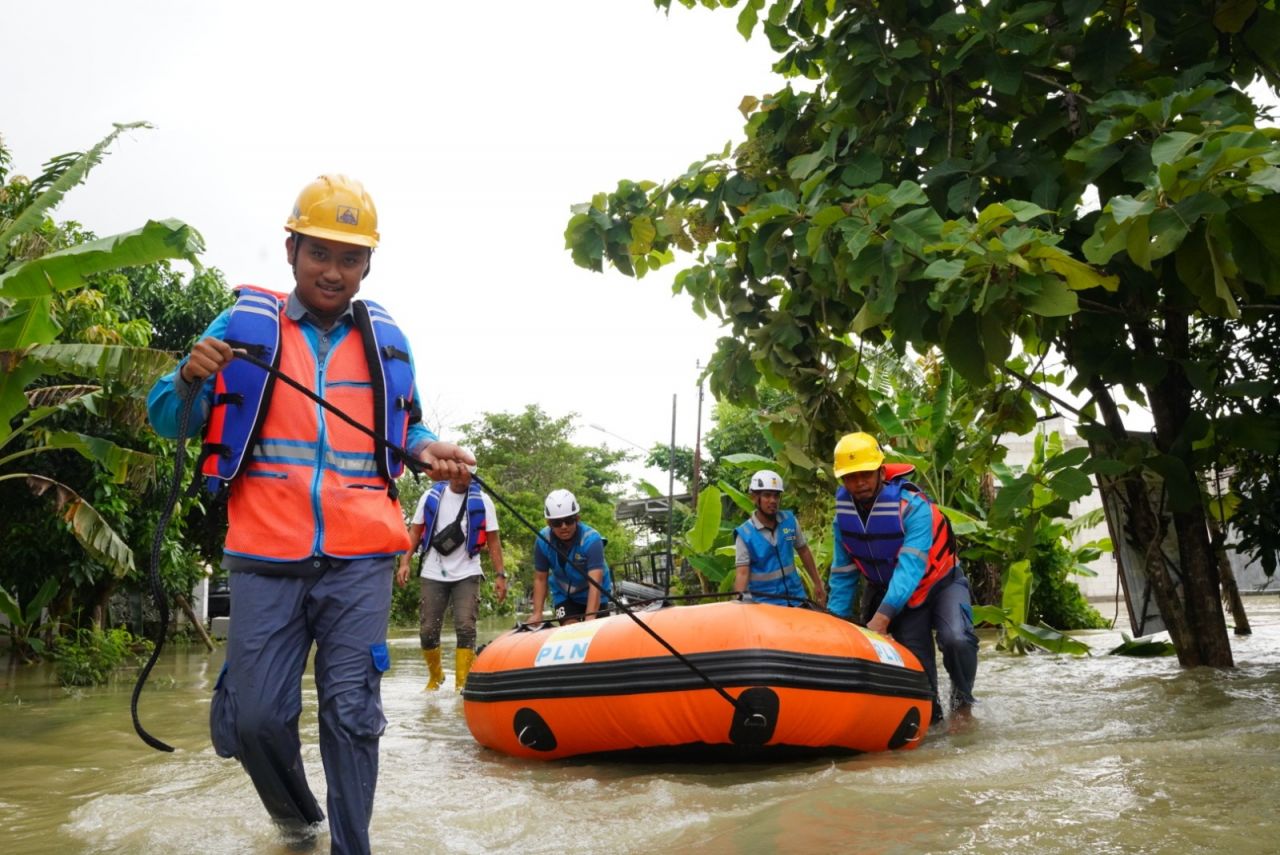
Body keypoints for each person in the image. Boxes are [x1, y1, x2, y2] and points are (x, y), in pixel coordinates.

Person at [147, 174, 473, 855]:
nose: (333, 270)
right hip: (266, 556)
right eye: (319, 253)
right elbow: (165, 416)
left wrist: (428, 452)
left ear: (368, 266)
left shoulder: (387, 340)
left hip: (361, 559)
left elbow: (403, 431)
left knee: (353, 715)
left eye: (350, 257)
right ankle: (298, 821)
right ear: (291, 249)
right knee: (259, 719)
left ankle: (353, 848)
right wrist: (188, 377)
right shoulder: (241, 327)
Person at [827, 432, 978, 725]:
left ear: (881, 471)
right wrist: (836, 621)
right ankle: (931, 719)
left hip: (940, 583)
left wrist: (882, 618)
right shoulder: (842, 519)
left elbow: (910, 568)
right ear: (843, 481)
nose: (859, 482)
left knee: (956, 639)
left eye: (866, 474)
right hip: (892, 592)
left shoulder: (914, 508)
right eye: (851, 476)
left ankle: (962, 704)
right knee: (918, 670)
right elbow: (844, 573)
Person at [396, 468, 506, 692]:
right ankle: (436, 676)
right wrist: (404, 562)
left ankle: (462, 684)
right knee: (428, 630)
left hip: (467, 570)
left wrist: (500, 575)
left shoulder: (483, 502)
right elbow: (415, 532)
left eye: (464, 473)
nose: (458, 477)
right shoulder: (430, 497)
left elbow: (493, 541)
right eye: (454, 472)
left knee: (465, 626)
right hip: (434, 571)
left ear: (472, 476)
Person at [733, 470, 826, 607]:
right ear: (754, 497)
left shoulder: (789, 521)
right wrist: (738, 605)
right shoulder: (745, 534)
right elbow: (742, 573)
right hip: (767, 605)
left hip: (797, 599)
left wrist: (818, 583)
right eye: (767, 495)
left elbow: (804, 551)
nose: (773, 500)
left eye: (776, 496)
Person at [528, 489, 612, 625]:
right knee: (571, 628)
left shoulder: (592, 540)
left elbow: (595, 584)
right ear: (549, 523)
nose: (564, 527)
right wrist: (537, 614)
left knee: (593, 627)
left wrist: (589, 620)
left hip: (595, 594)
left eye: (568, 521)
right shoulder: (543, 541)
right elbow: (540, 579)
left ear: (577, 519)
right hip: (564, 596)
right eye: (557, 523)